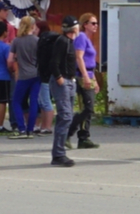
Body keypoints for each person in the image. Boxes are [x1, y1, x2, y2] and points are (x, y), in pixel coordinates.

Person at [40, 15, 80, 167]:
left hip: (70, 81)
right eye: (77, 26)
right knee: (65, 116)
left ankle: (59, 152)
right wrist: (59, 78)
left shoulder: (70, 42)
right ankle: (58, 154)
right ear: (73, 28)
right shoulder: (62, 42)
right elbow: (54, 63)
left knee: (66, 117)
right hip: (63, 82)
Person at [73, 13, 100, 148]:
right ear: (85, 25)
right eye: (93, 23)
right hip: (83, 75)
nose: (96, 26)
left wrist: (94, 79)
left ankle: (84, 137)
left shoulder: (88, 39)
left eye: (96, 23)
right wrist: (85, 76)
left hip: (90, 73)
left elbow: (91, 62)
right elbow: (79, 58)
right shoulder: (81, 38)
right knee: (87, 107)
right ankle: (71, 131)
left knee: (89, 108)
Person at [12, 16, 41, 135]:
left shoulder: (16, 41)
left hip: (23, 75)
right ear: (33, 26)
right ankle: (31, 128)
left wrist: (14, 68)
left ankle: (21, 127)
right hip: (36, 74)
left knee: (16, 101)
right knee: (33, 101)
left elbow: (10, 59)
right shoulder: (37, 40)